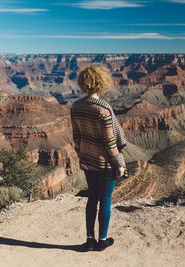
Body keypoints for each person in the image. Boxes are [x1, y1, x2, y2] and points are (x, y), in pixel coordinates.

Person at [70, 65, 127, 252]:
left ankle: (89, 241)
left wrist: (82, 155)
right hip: (104, 164)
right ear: (102, 82)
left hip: (87, 160)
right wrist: (119, 164)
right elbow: (111, 143)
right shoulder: (104, 110)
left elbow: (76, 137)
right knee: (105, 200)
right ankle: (102, 241)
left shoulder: (76, 107)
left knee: (91, 199)